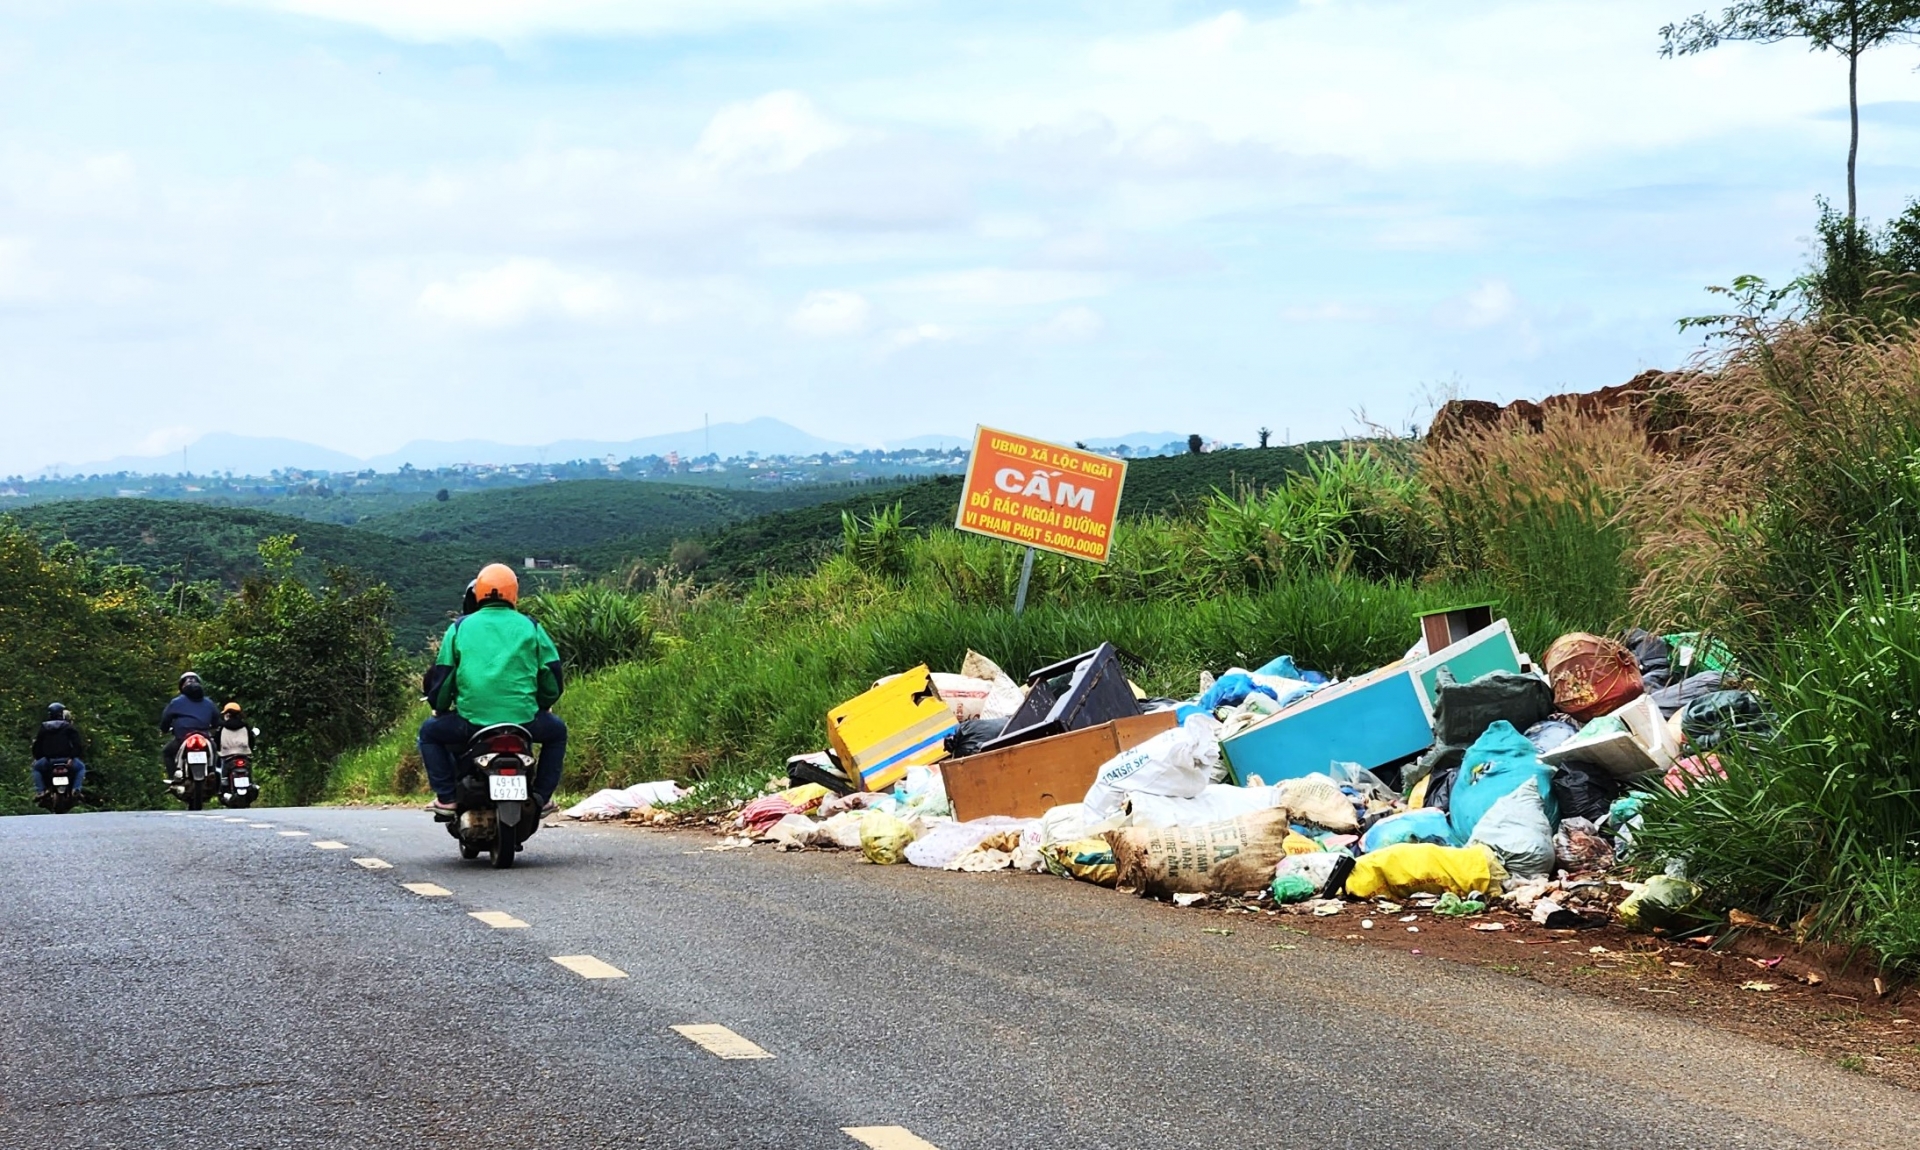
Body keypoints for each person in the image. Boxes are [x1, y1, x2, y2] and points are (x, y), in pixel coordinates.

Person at [418, 564, 566, 816]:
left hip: (471, 723)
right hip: (525, 722)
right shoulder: (531, 626)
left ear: (478, 593)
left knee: (429, 733)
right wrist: (543, 702)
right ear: (514, 594)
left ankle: (447, 798)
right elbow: (552, 675)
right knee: (557, 732)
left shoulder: (459, 627)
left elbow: (443, 677)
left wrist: (439, 708)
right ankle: (541, 796)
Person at [159, 671, 218, 777]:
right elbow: (216, 720)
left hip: (182, 737)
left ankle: (174, 778)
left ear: (182, 686)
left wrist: (164, 729)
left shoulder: (176, 702)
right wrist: (213, 727)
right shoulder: (209, 703)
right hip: (204, 738)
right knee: (213, 748)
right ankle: (211, 772)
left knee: (167, 752)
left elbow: (166, 718)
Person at [30, 703, 87, 799]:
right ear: (61, 714)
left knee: (36, 768)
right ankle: (76, 789)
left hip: (49, 761)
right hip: (67, 760)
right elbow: (77, 744)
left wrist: (38, 757)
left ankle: (40, 791)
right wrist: (72, 757)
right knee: (81, 768)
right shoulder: (68, 727)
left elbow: (38, 745)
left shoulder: (44, 727)